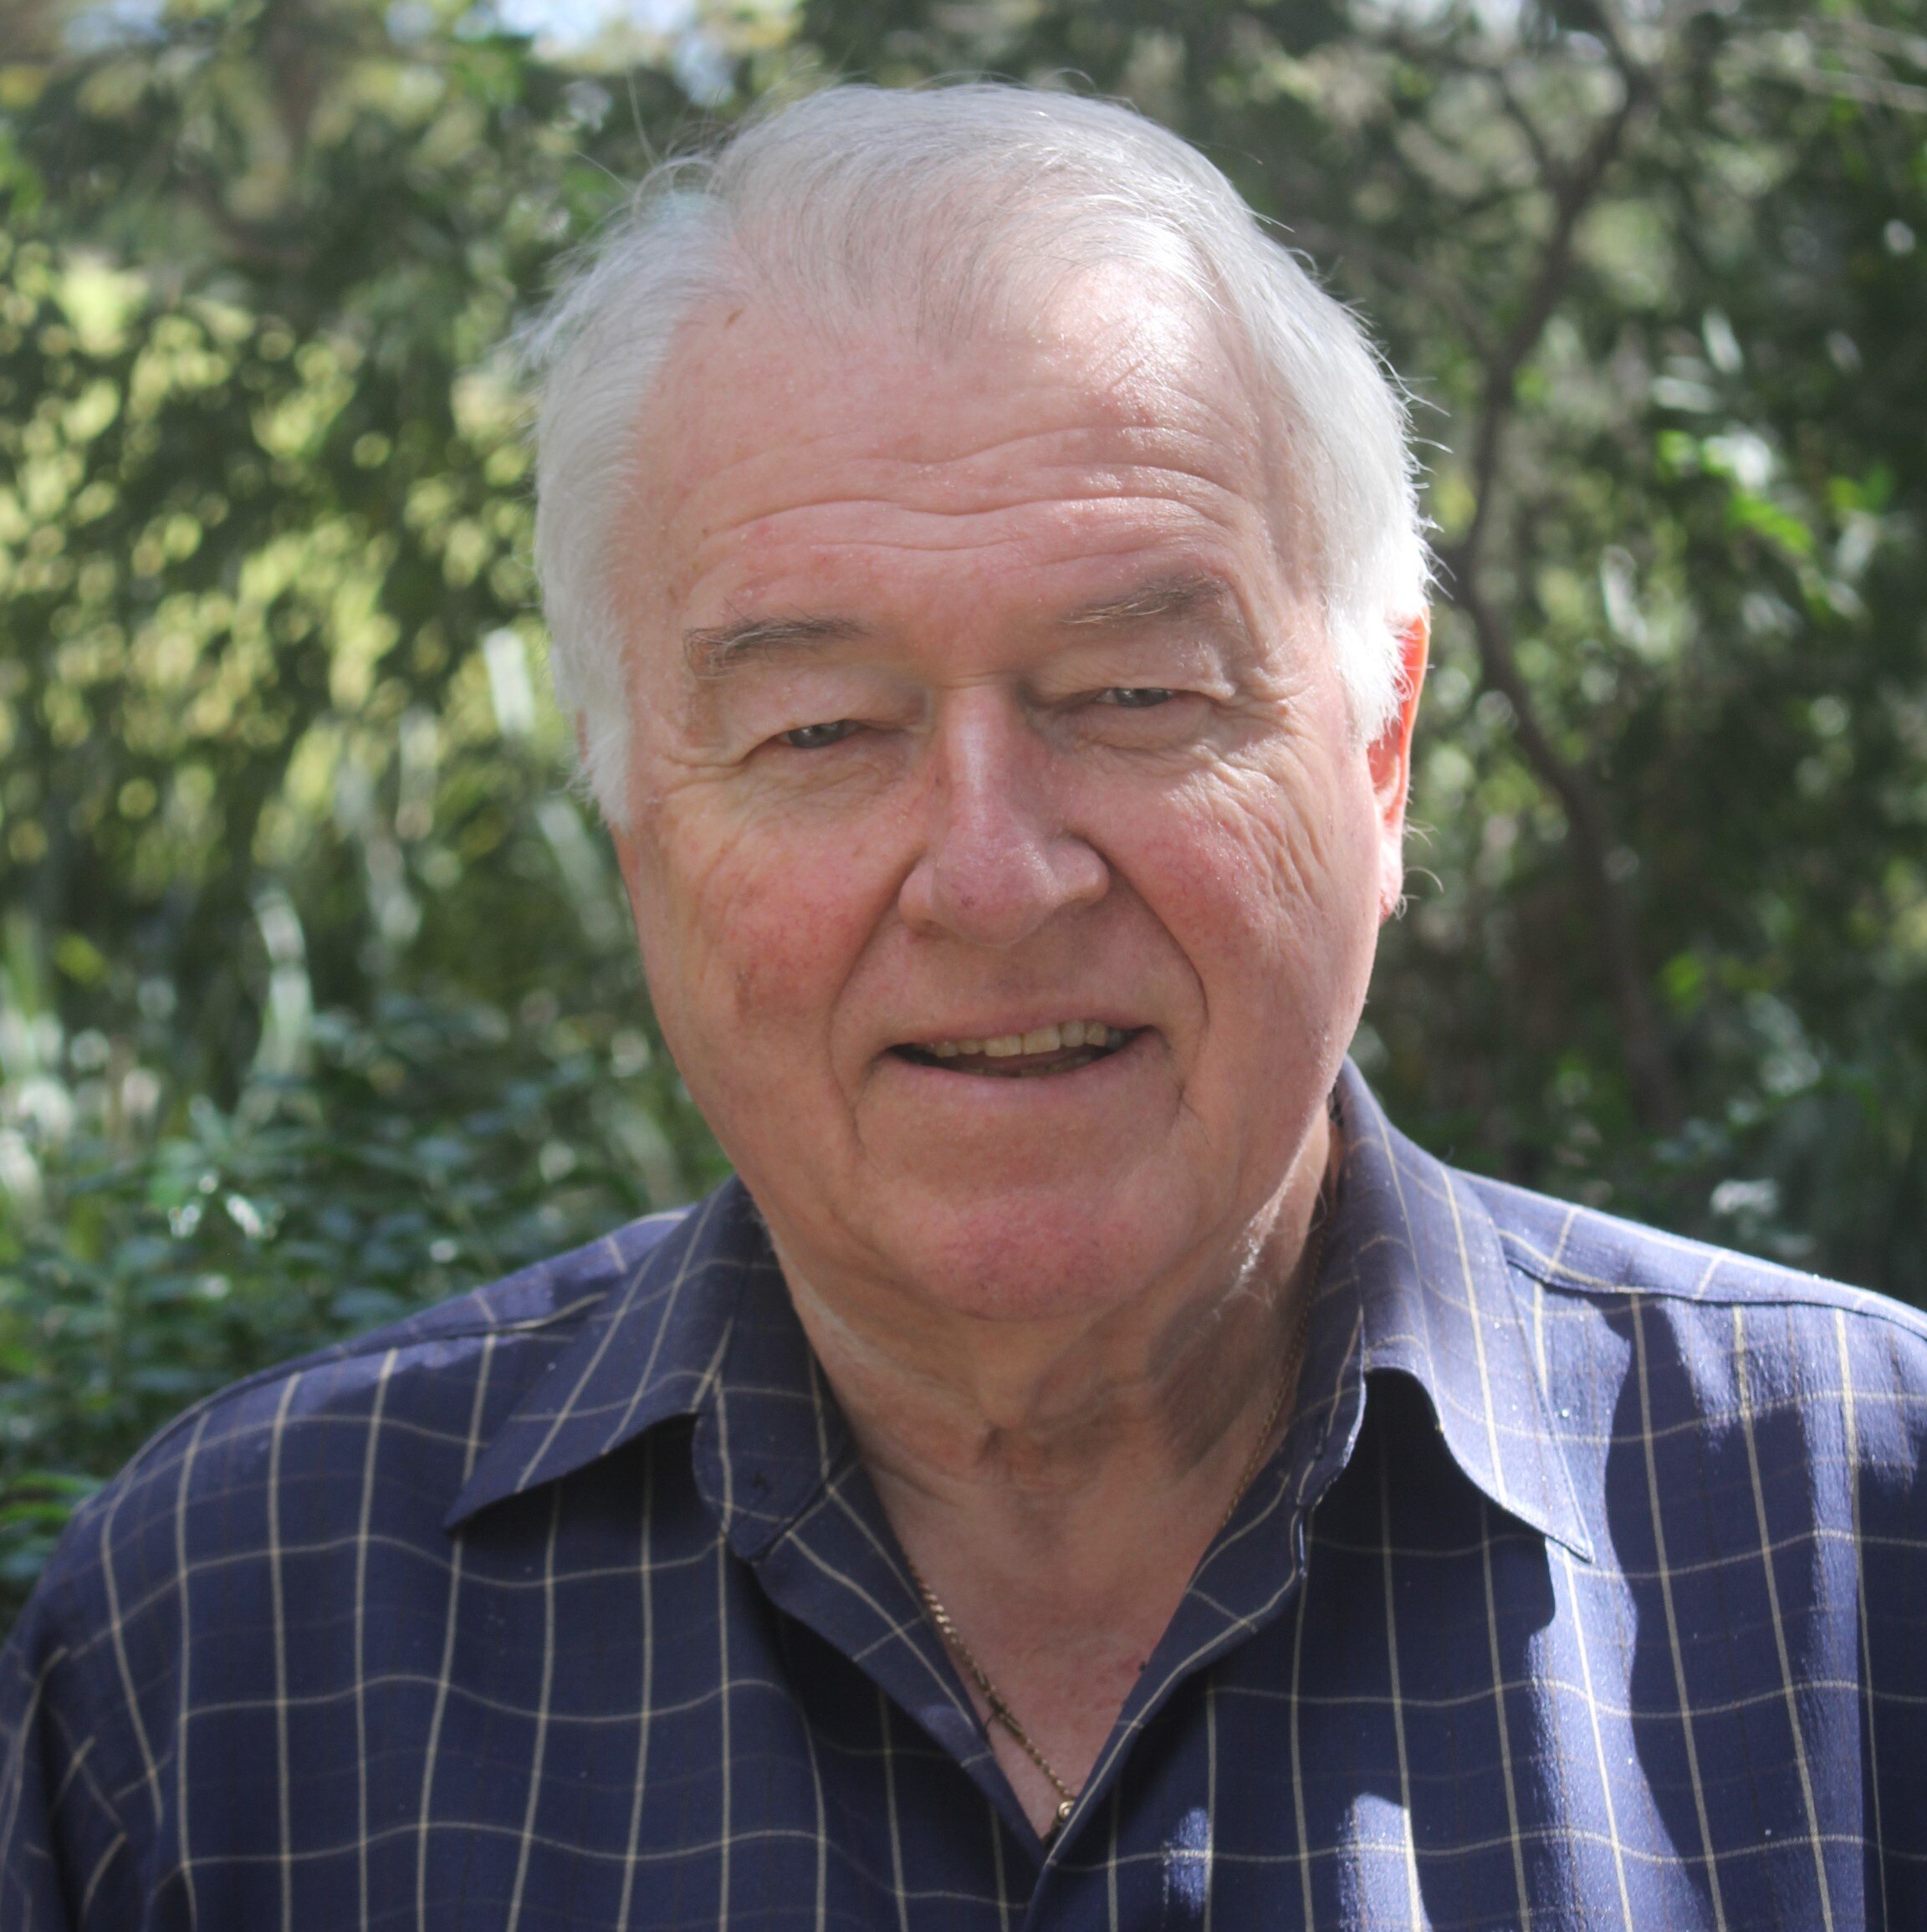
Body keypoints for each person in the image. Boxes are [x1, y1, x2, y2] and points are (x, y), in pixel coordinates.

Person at [3, 82, 1924, 1932]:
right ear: (635, 831)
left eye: (1137, 694)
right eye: (821, 729)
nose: (996, 878)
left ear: (1379, 757)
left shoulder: (1859, 1545)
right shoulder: (232, 1652)